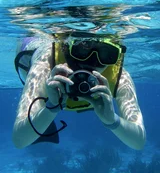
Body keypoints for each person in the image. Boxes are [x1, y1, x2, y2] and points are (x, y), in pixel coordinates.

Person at [12, 32, 146, 150]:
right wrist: (50, 108)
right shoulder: (46, 64)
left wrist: (112, 120)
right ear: (66, 47)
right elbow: (19, 140)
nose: (92, 61)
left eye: (107, 54)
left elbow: (139, 141)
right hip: (31, 51)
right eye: (82, 48)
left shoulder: (119, 77)